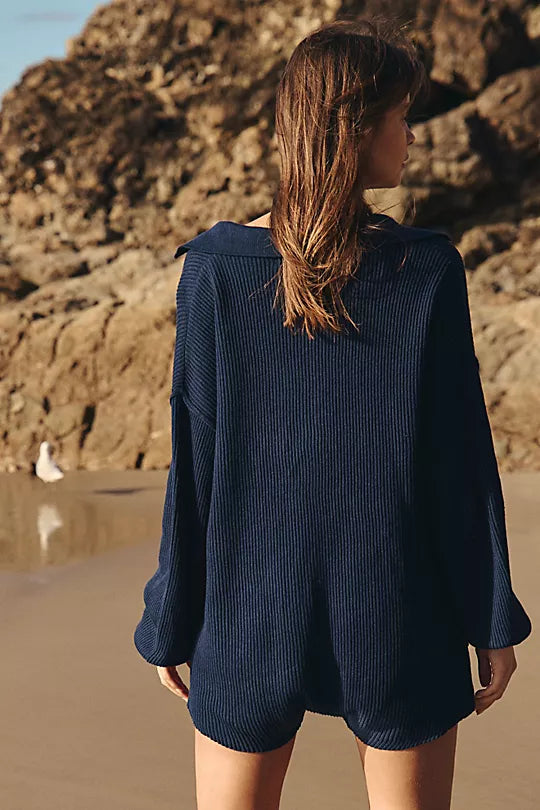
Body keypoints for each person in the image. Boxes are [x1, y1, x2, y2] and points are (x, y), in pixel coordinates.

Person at [133, 16, 532, 810]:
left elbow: (195, 462)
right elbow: (459, 466)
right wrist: (491, 619)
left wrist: (171, 619)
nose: (412, 136)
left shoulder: (212, 270)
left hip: (247, 613)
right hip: (398, 608)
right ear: (356, 126)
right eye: (401, 116)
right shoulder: (426, 272)